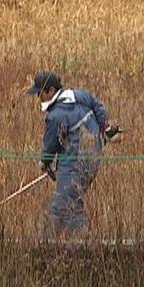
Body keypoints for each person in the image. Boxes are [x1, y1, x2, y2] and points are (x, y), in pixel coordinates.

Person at [26, 70, 112, 239]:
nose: (39, 98)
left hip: (74, 163)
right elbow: (98, 106)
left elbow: (52, 144)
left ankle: (79, 244)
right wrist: (104, 128)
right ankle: (51, 242)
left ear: (50, 91)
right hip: (94, 156)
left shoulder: (56, 116)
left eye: (40, 93)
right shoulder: (79, 95)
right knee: (66, 204)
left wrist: (44, 162)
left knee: (66, 205)